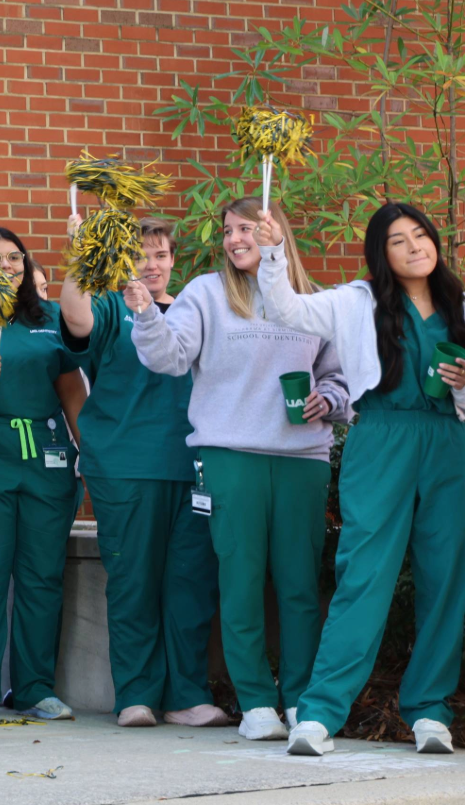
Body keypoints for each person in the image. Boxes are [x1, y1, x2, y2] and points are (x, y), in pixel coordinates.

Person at [131, 198, 349, 743]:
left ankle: (302, 702)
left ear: (275, 231)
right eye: (227, 231)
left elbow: (341, 378)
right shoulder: (206, 293)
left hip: (302, 459)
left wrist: (329, 398)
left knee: (300, 586)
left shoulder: (313, 300)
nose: (232, 239)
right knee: (242, 582)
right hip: (229, 455)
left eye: (245, 228)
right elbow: (169, 358)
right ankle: (255, 703)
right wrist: (144, 313)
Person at [255, 203, 465, 757]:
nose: (416, 246)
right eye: (399, 240)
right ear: (382, 252)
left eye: (421, 235)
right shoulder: (357, 302)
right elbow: (286, 310)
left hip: (451, 443)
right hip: (382, 440)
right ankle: (321, 712)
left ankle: (430, 711)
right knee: (364, 576)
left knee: (448, 580)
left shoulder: (459, 302)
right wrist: (274, 251)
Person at [60, 217, 227, 729]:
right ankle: (135, 694)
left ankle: (186, 696)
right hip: (126, 466)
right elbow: (76, 316)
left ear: (173, 260)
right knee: (133, 581)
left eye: (159, 256)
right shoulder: (112, 307)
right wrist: (79, 256)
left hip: (194, 466)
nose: (149, 267)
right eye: (139, 257)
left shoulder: (197, 311)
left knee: (189, 584)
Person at [0, 228, 88, 722]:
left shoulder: (50, 319)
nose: (7, 266)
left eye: (15, 258)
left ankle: (34, 687)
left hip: (46, 456)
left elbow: (70, 390)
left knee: (41, 576)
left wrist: (87, 452)